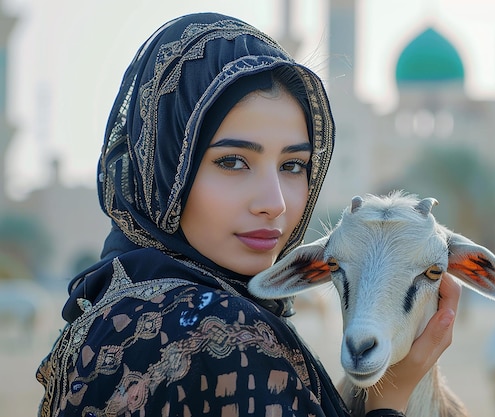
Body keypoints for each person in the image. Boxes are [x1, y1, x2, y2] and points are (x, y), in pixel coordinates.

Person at [36, 12, 460, 417]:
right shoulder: (236, 342)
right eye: (233, 162)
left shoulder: (102, 312)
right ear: (166, 168)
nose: (273, 202)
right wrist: (394, 397)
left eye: (293, 166)